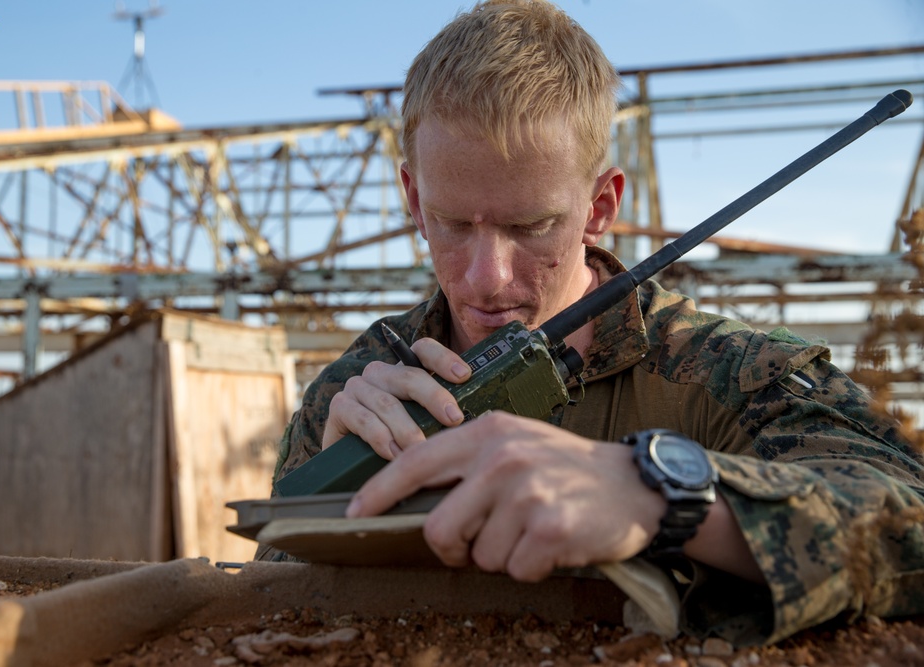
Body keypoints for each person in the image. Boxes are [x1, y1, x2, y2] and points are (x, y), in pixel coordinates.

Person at [263, 0, 924, 646]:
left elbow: (906, 520)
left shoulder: (725, 374)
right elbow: (271, 601)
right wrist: (335, 490)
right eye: (452, 222)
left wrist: (663, 493)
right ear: (413, 197)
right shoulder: (360, 386)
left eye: (531, 225)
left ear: (601, 205)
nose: (486, 276)